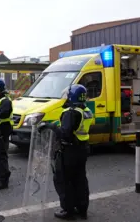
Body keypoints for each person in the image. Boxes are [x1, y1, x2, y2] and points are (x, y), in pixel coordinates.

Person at [51, 84, 92, 220]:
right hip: (82, 148)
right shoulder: (85, 110)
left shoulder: (71, 111)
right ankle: (82, 208)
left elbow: (65, 134)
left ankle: (68, 210)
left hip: (69, 150)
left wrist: (51, 127)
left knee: (64, 180)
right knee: (80, 180)